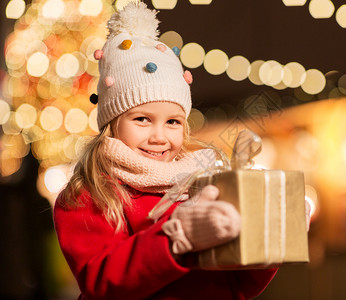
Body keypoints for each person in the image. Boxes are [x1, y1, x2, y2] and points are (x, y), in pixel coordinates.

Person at [53, 2, 296, 299]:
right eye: (142, 119)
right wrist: (176, 238)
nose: (159, 136)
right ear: (111, 123)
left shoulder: (202, 182)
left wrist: (269, 237)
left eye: (172, 122)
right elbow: (101, 281)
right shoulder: (89, 193)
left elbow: (235, 286)